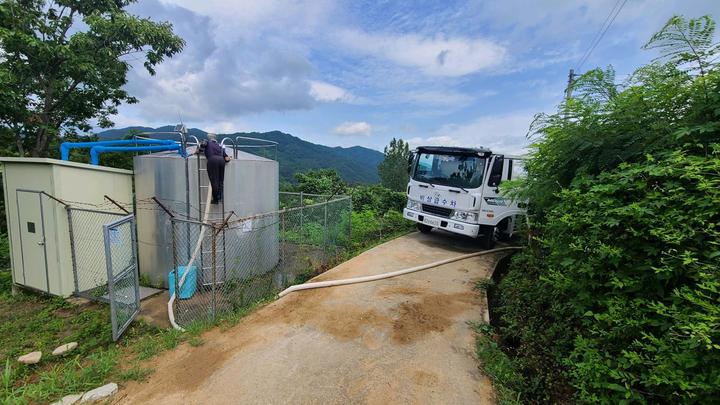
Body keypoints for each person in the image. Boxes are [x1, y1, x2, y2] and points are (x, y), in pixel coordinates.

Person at [198, 133, 231, 204]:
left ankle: (215, 200)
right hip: (221, 160)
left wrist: (199, 151)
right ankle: (220, 197)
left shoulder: (207, 142)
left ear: (209, 138)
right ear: (215, 139)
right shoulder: (219, 146)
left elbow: (203, 145)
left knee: (214, 180)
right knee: (220, 180)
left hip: (212, 160)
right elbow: (227, 158)